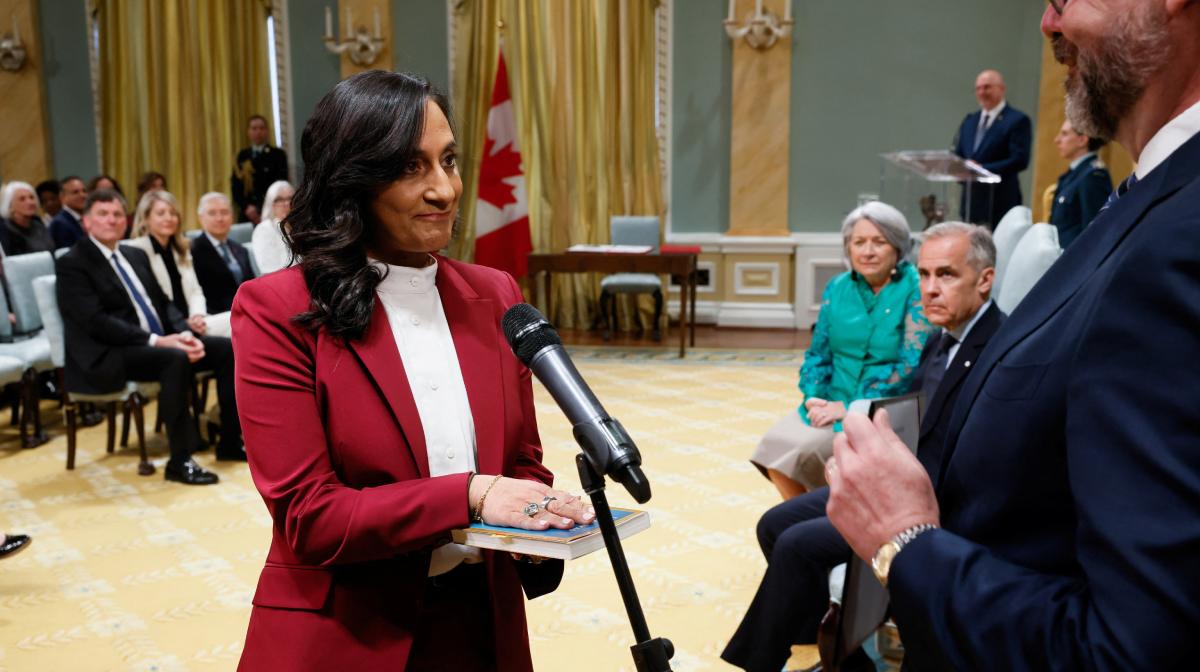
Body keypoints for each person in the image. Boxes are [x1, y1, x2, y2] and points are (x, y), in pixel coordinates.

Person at [825, 2, 1200, 669]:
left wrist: (903, 543)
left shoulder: (1182, 237)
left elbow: (1131, 651)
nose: (1047, 24)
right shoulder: (1153, 195)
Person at [232, 71, 594, 672]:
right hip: (347, 631)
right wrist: (474, 495)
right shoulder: (278, 309)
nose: (444, 189)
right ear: (352, 179)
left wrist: (540, 518)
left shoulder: (494, 292)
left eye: (448, 160)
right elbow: (311, 517)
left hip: (483, 625)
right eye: (409, 167)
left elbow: (521, 458)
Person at [723, 222, 1004, 672]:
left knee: (797, 544)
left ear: (984, 280)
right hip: (900, 476)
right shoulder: (945, 336)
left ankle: (760, 662)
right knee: (774, 523)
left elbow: (976, 459)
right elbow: (903, 408)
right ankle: (832, 647)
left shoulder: (996, 350)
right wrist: (856, 452)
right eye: (926, 275)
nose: (929, 289)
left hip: (929, 503)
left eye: (946, 275)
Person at [56, 189, 246, 484]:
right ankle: (180, 460)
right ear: (87, 222)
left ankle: (230, 442)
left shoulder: (133, 254)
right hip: (106, 353)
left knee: (225, 349)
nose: (111, 220)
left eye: (117, 214)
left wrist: (184, 335)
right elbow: (96, 322)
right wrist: (159, 341)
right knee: (174, 359)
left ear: (126, 220)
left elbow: (163, 303)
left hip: (150, 342)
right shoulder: (74, 262)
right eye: (103, 214)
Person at [750, 201, 930, 500]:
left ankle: (834, 520)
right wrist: (814, 397)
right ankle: (809, 521)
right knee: (775, 446)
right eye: (859, 242)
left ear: (898, 247)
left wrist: (851, 407)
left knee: (809, 453)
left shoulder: (916, 287)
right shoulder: (838, 287)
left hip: (884, 407)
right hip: (831, 402)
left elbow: (910, 364)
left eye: (879, 242)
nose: (867, 251)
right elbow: (818, 353)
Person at [125, 190, 217, 338]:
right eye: (161, 213)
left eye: (173, 213)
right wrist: (182, 322)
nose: (169, 218)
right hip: (166, 328)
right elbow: (150, 300)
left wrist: (197, 315)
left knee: (239, 322)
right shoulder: (136, 251)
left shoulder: (181, 248)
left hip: (194, 322)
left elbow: (195, 291)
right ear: (146, 218)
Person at [952, 70, 1032, 228]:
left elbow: (1020, 160)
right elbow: (959, 154)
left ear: (1001, 89)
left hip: (1000, 202)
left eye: (987, 87)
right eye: (978, 88)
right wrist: (959, 168)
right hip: (970, 203)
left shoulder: (1017, 120)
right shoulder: (970, 120)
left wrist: (982, 169)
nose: (982, 92)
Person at [1049, 119, 1112, 249]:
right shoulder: (1074, 174)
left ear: (1082, 140)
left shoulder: (1093, 177)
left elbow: (1094, 234)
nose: (1057, 140)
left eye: (1065, 134)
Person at [190, 192, 256, 314]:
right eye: (212, 213)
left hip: (248, 311)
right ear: (201, 218)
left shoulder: (241, 250)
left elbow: (252, 286)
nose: (219, 218)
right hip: (215, 315)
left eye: (224, 212)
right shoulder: (193, 250)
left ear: (232, 217)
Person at [230, 115, 289, 223]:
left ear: (267, 131)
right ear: (248, 132)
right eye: (254, 128)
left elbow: (280, 185)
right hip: (246, 214)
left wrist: (260, 208)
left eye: (262, 128)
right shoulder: (242, 156)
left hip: (270, 210)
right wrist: (246, 207)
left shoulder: (278, 155)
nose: (258, 132)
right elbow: (236, 186)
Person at [250, 180, 295, 274]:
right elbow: (269, 269)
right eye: (279, 199)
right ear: (270, 204)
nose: (286, 203)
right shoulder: (264, 230)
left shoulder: (300, 226)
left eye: (290, 198)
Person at [0, 181, 55, 255]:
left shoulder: (38, 224)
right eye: (22, 199)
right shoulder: (4, 231)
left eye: (32, 197)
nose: (30, 202)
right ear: (10, 206)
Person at [50, 176, 87, 249]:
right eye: (75, 192)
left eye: (84, 191)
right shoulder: (60, 223)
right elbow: (66, 255)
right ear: (62, 197)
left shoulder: (87, 218)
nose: (82, 195)